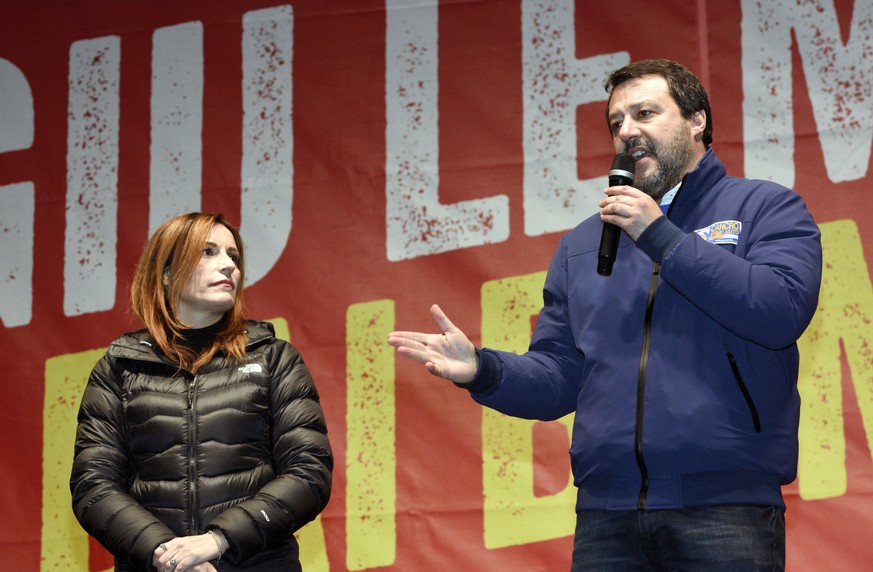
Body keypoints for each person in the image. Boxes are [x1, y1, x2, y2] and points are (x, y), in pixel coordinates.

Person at [388, 59, 822, 570]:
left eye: (644, 113)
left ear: (697, 119)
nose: (627, 131)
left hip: (725, 508)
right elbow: (560, 378)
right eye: (617, 122)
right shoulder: (584, 245)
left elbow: (780, 310)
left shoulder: (765, 209)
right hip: (607, 517)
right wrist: (484, 370)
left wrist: (658, 234)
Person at [71, 212, 333, 572]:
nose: (228, 266)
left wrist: (216, 541)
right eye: (208, 252)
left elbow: (309, 473)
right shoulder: (118, 368)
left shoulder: (274, 358)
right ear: (165, 273)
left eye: (233, 256)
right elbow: (93, 486)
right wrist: (170, 555)